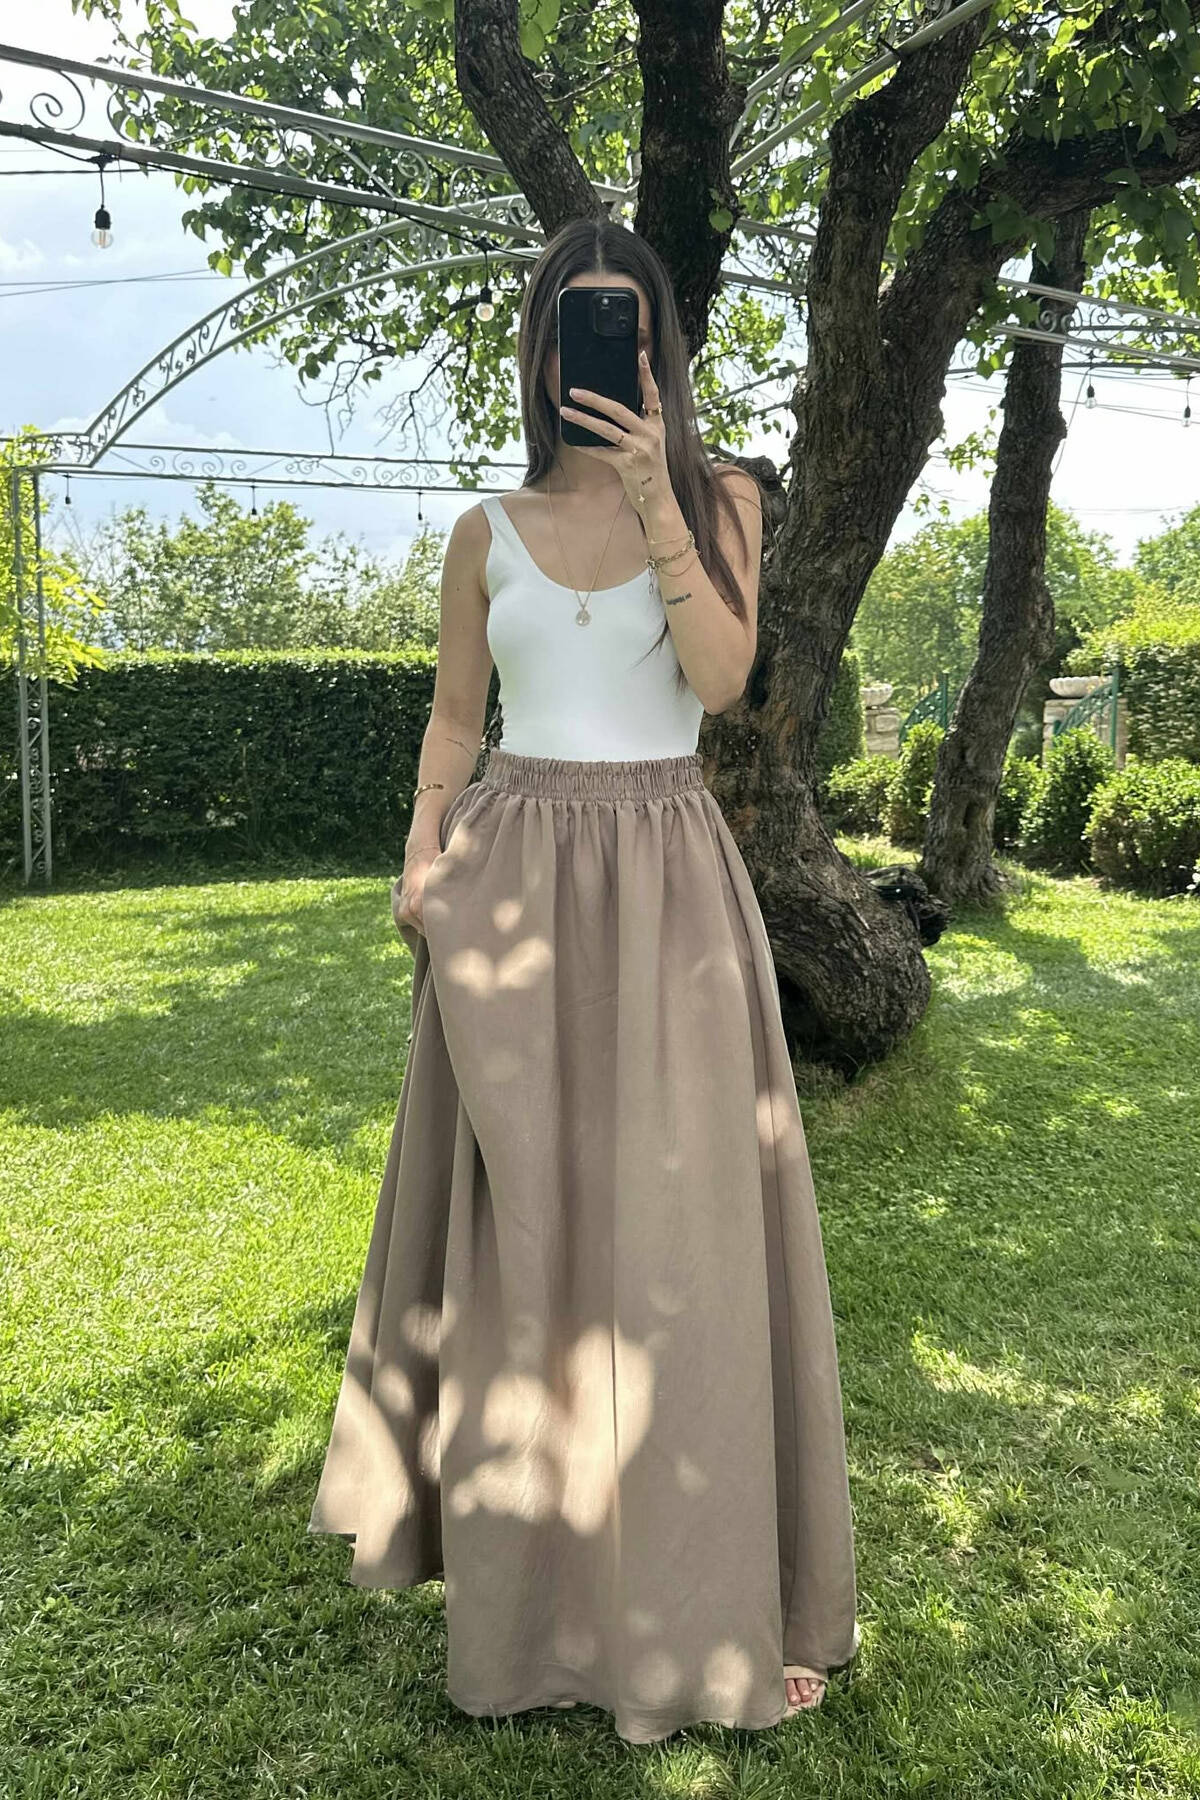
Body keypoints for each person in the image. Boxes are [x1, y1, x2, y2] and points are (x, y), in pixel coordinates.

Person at [307, 217, 859, 1745]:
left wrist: (657, 496)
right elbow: (454, 718)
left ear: (659, 347)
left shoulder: (722, 499)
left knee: (682, 1250)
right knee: (528, 1255)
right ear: (540, 350)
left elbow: (725, 681)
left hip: (670, 893)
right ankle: (533, 1623)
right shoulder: (481, 531)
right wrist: (419, 852)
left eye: (622, 321)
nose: (594, 349)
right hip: (511, 903)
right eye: (570, 323)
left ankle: (712, 1606)